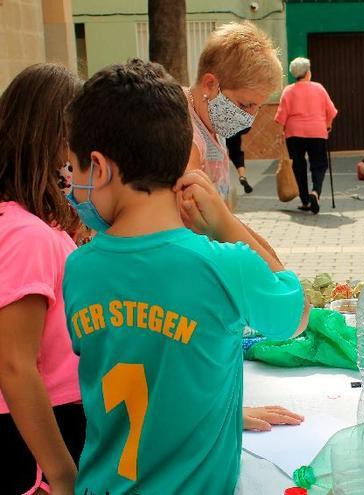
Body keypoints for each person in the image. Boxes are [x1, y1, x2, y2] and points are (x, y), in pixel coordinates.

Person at [63, 60, 310, 493]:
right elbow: (296, 314)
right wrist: (227, 225)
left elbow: (141, 373)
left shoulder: (78, 269)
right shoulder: (224, 264)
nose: (72, 186)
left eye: (74, 170)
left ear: (98, 168)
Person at [0, 64, 83, 495]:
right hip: (38, 440)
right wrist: (62, 473)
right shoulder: (25, 233)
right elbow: (15, 365)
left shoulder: (33, 224)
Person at [186, 21, 282, 209]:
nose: (250, 118)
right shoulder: (187, 137)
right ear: (210, 85)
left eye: (258, 108)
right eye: (245, 105)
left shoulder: (212, 124)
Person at [275, 57, 338, 214]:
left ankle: (304, 200)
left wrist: (280, 133)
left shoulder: (288, 91)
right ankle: (315, 192)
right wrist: (328, 125)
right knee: (319, 164)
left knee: (298, 165)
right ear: (308, 73)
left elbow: (281, 117)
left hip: (294, 133)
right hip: (317, 131)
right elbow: (331, 111)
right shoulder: (319, 88)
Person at [227, 126, 253, 194]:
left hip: (220, 133)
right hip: (234, 132)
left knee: (220, 156)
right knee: (236, 154)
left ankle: (222, 182)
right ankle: (242, 176)